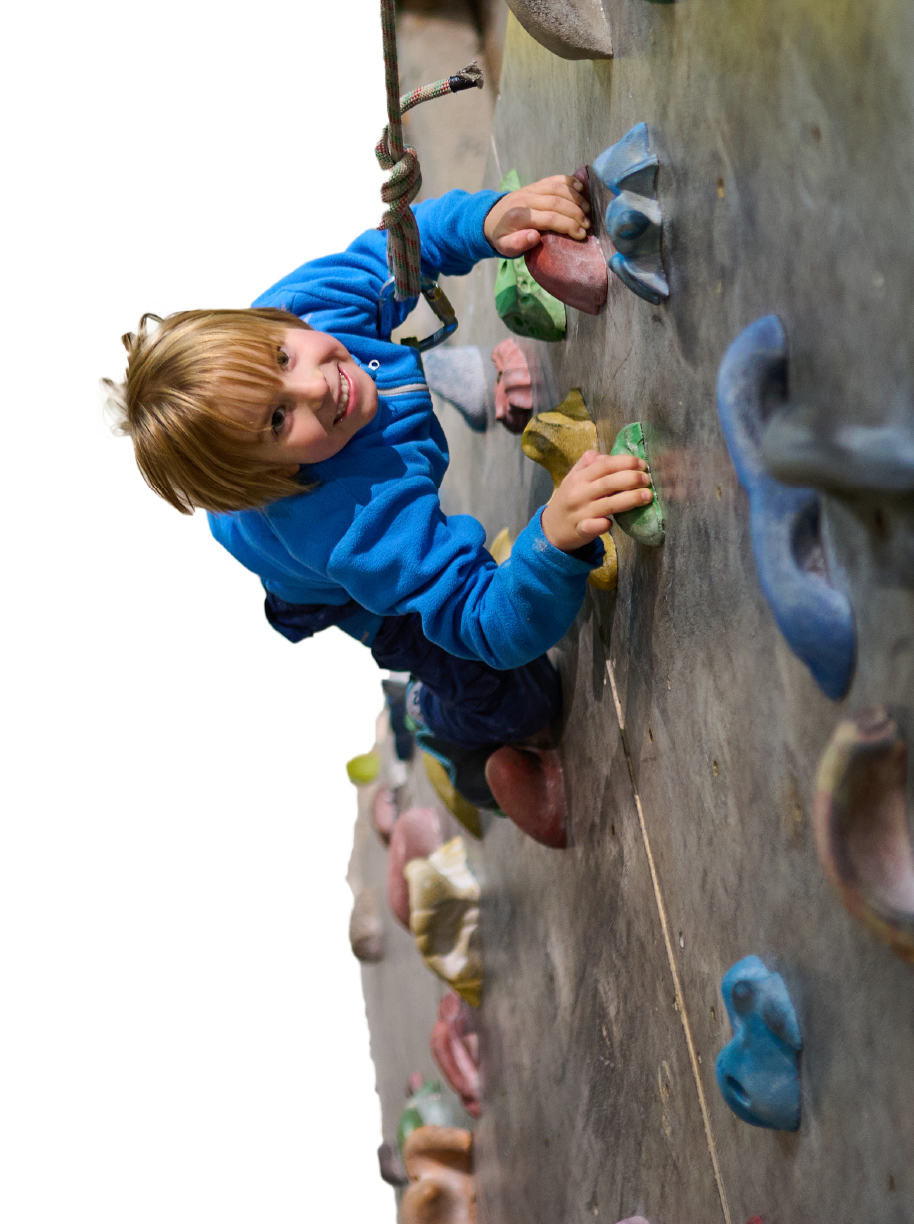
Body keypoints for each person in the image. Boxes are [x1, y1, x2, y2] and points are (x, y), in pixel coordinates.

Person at [99, 178, 653, 839]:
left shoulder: (301, 307)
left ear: (275, 323)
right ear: (273, 474)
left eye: (283, 357)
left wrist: (489, 219)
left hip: (320, 494)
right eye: (279, 420)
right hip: (332, 586)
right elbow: (484, 623)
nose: (315, 382)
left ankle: (431, 379)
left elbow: (395, 246)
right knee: (525, 701)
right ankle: (440, 729)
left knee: (371, 334)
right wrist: (551, 543)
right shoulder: (355, 528)